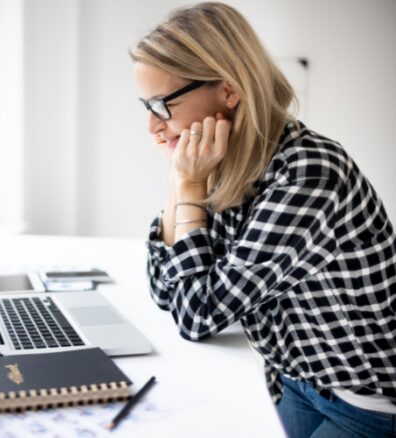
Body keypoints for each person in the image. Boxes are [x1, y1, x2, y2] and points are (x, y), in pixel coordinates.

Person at [131, 3, 396, 437]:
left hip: (365, 403)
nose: (151, 126)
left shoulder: (309, 172)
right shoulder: (224, 164)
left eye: (162, 105)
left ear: (229, 90)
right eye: (146, 105)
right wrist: (180, 181)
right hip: (297, 384)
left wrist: (190, 183)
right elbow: (167, 289)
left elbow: (197, 314)